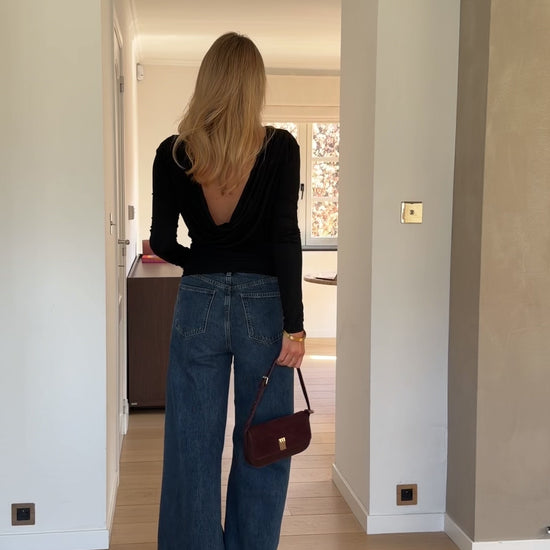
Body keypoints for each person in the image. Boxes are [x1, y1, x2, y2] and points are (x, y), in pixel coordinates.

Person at [149, 32, 306, 550]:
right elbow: (285, 237)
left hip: (199, 301)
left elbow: (163, 242)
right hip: (265, 306)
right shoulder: (280, 148)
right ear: (254, 85)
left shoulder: (173, 153)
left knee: (191, 445)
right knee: (265, 440)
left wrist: (204, 263)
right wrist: (295, 325)